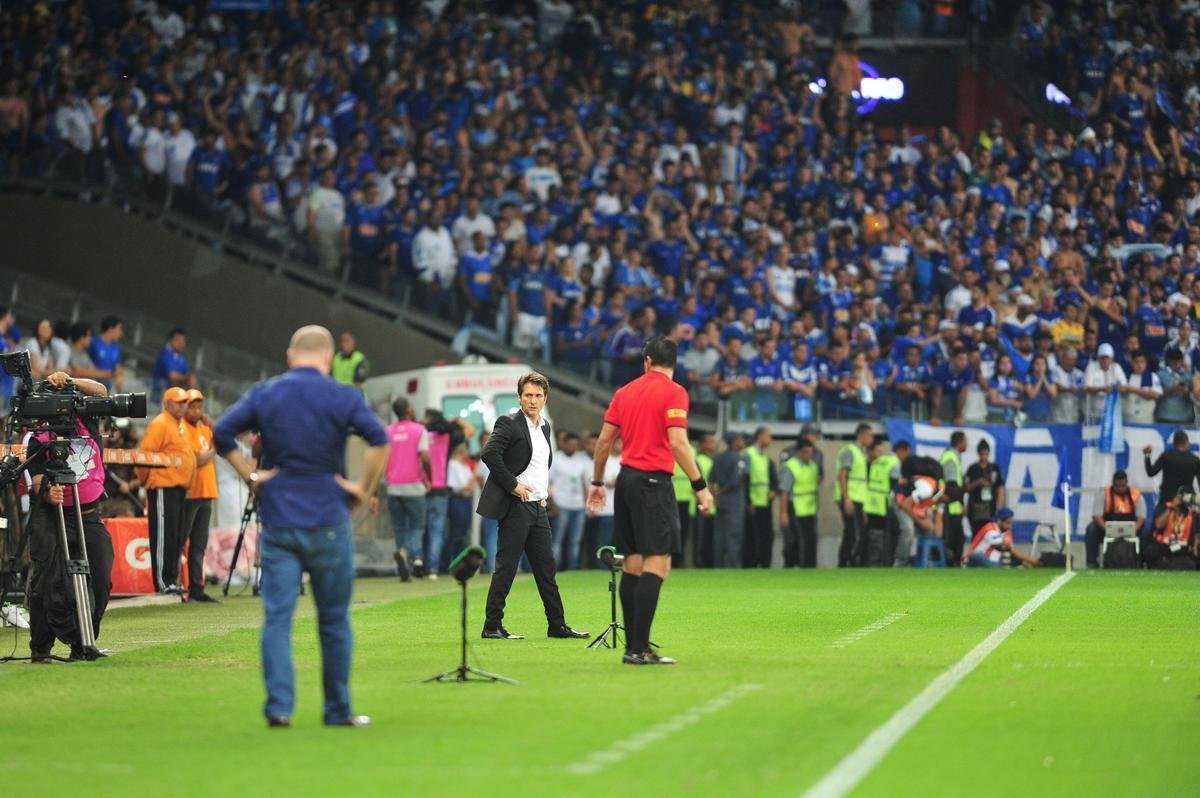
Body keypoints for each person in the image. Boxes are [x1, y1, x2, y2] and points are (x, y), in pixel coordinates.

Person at [215, 325, 389, 728]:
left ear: (291, 356)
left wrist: (252, 477)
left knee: (278, 618)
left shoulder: (267, 392)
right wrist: (362, 487)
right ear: (328, 360)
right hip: (328, 517)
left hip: (279, 520)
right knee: (334, 620)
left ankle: (279, 709)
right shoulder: (343, 394)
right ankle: (337, 710)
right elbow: (379, 440)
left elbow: (221, 433)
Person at [587, 337, 714, 666]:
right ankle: (640, 648)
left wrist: (598, 483)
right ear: (675, 363)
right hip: (653, 483)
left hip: (626, 481)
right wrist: (700, 485)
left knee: (632, 564)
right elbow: (678, 442)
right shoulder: (675, 392)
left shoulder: (624, 392)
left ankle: (633, 647)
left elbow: (603, 443)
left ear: (646, 361)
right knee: (658, 564)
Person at [477, 373, 587, 640]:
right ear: (519, 397)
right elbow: (489, 453)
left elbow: (539, 463)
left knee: (546, 568)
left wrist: (542, 491)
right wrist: (513, 485)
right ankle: (492, 625)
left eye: (538, 396)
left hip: (538, 507)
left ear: (545, 398)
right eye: (528, 395)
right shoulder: (509, 422)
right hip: (516, 505)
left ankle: (557, 625)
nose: (533, 400)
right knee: (507, 568)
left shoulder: (545, 426)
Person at [25, 372, 114, 662]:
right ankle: (41, 649)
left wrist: (70, 380)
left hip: (89, 514)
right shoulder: (37, 437)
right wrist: (46, 491)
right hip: (52, 517)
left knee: (100, 579)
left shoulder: (86, 419)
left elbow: (101, 391)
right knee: (44, 583)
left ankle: (83, 644)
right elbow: (37, 478)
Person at [136, 387, 196, 594]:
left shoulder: (179, 425)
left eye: (185, 402)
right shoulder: (160, 423)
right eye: (179, 402)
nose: (183, 406)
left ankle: (172, 580)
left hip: (178, 489)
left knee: (176, 536)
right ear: (167, 403)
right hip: (162, 487)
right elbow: (144, 456)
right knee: (164, 536)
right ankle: (163, 583)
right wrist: (145, 481)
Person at [379, 397, 429, 582]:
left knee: (400, 526)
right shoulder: (419, 430)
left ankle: (402, 555)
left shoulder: (387, 431)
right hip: (414, 486)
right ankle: (416, 559)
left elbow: (382, 460)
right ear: (408, 409)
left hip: (393, 487)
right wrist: (428, 478)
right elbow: (424, 457)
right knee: (416, 526)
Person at [423, 409, 476, 576]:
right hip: (440, 489)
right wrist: (456, 419)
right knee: (437, 530)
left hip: (421, 487)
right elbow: (471, 431)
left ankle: (419, 564)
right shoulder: (447, 438)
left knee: (419, 529)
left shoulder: (420, 435)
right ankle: (433, 567)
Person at [181, 389, 218, 603]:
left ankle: (197, 586)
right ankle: (178, 585)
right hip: (190, 492)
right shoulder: (182, 429)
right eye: (192, 407)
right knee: (182, 541)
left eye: (199, 407)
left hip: (206, 492)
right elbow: (199, 459)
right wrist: (215, 448)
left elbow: (221, 440)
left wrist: (212, 426)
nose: (196, 411)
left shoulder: (204, 429)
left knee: (199, 543)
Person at [1084, 470, 1146, 569]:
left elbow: (1142, 517)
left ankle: (1142, 562)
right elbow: (1096, 516)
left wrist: (1135, 529)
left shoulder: (1136, 494)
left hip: (1131, 528)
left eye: (1123, 486)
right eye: (1118, 486)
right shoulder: (1104, 493)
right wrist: (1106, 528)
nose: (1120, 488)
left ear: (1126, 483)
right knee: (1091, 529)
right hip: (1106, 528)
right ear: (1113, 483)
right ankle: (1091, 562)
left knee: (1146, 531)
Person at [548, 431, 589, 570]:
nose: (573, 447)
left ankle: (573, 568)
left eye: (575, 445)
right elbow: (548, 482)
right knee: (558, 539)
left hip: (578, 506)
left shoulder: (580, 460)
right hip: (561, 504)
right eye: (570, 444)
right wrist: (552, 503)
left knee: (575, 540)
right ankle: (554, 568)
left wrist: (586, 503)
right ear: (563, 443)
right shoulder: (555, 459)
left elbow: (583, 483)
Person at [835, 423, 872, 567]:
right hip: (850, 498)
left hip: (858, 498)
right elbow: (842, 475)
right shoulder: (850, 451)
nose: (871, 439)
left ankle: (847, 562)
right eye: (870, 435)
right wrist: (846, 498)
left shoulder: (861, 453)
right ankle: (846, 562)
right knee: (854, 533)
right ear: (861, 435)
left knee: (854, 532)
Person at [780, 437, 820, 568]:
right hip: (795, 507)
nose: (809, 455)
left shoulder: (813, 466)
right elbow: (784, 491)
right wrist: (784, 512)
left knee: (811, 539)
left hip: (810, 508)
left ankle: (810, 566)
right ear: (799, 452)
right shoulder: (791, 466)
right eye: (806, 452)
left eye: (811, 452)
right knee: (798, 540)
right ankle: (796, 565)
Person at [710, 431, 747, 568]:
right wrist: (720, 492)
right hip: (734, 501)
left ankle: (717, 565)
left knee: (719, 536)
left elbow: (710, 480)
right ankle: (733, 566)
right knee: (734, 535)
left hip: (720, 502)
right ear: (735, 441)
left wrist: (715, 496)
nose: (743, 442)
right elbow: (734, 482)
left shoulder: (718, 457)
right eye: (741, 439)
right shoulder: (739, 459)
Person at [744, 426, 777, 568]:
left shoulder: (765, 457)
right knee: (752, 536)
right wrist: (748, 501)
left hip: (765, 502)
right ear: (760, 436)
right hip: (753, 502)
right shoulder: (748, 454)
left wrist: (773, 490)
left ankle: (764, 563)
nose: (771, 439)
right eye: (768, 436)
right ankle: (752, 563)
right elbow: (744, 479)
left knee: (767, 535)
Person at [863, 436, 899, 567]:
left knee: (883, 537)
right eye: (878, 451)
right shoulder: (865, 466)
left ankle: (881, 563)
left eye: (882, 451)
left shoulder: (881, 465)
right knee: (871, 538)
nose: (881, 455)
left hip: (881, 506)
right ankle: (869, 564)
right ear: (870, 452)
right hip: (869, 508)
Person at [1144, 432, 1200, 513]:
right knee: (1188, 525)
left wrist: (1147, 456)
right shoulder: (1195, 460)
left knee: (1161, 525)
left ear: (1174, 443)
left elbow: (1151, 472)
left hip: (1167, 501)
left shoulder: (1166, 456)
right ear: (1187, 443)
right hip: (1186, 503)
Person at [894, 475, 942, 567]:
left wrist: (938, 540)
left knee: (929, 528)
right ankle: (900, 564)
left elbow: (938, 519)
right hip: (901, 500)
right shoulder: (927, 490)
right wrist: (921, 522)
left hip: (913, 505)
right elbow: (905, 505)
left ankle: (924, 562)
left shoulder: (939, 492)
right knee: (909, 530)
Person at [965, 508, 1039, 568]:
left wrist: (1023, 560)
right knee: (976, 554)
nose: (1010, 526)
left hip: (994, 562)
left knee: (1014, 559)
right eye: (1007, 523)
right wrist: (1028, 558)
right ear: (999, 521)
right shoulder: (990, 529)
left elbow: (1011, 551)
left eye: (1011, 523)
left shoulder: (1007, 532)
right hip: (978, 559)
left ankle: (1020, 566)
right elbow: (1004, 547)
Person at [1146, 489, 1198, 570]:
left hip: (1183, 548)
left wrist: (1195, 546)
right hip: (1165, 545)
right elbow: (1158, 525)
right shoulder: (1165, 507)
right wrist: (1171, 508)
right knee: (1151, 550)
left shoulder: (1193, 513)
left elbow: (1196, 534)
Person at [964, 440, 1005, 537]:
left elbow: (1000, 487)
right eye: (982, 454)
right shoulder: (973, 468)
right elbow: (966, 488)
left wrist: (999, 507)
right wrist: (978, 482)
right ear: (978, 454)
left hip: (990, 506)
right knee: (977, 534)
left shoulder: (994, 468)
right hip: (975, 507)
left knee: (990, 533)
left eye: (986, 454)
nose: (984, 457)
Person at [939, 430, 968, 565]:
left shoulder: (953, 457)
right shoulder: (951, 457)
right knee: (952, 540)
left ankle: (954, 564)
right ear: (960, 442)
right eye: (965, 441)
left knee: (958, 539)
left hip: (955, 507)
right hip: (950, 507)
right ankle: (950, 565)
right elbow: (951, 486)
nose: (967, 444)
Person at [693, 432, 718, 567]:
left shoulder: (715, 460)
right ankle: (700, 565)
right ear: (702, 445)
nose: (713, 444)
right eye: (710, 441)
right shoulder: (698, 461)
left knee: (711, 539)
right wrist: (701, 503)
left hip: (714, 506)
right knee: (701, 539)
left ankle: (709, 564)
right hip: (703, 506)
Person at [151, 328, 196, 399]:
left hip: (172, 390)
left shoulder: (181, 356)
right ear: (171, 340)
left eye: (183, 340)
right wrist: (186, 378)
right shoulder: (165, 353)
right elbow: (172, 375)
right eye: (179, 340)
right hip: (159, 391)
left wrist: (190, 378)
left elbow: (186, 372)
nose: (182, 343)